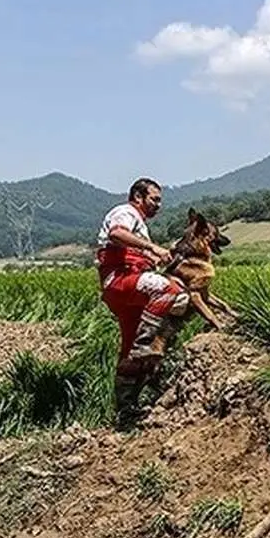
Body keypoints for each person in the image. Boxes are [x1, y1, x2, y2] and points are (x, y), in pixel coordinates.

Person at [95, 178, 189, 425]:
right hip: (121, 280)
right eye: (154, 199)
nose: (158, 205)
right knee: (172, 291)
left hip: (127, 286)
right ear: (138, 197)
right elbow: (117, 233)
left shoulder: (140, 225)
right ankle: (148, 344)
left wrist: (156, 257)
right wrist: (152, 248)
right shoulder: (125, 212)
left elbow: (135, 251)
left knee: (128, 350)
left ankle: (126, 409)